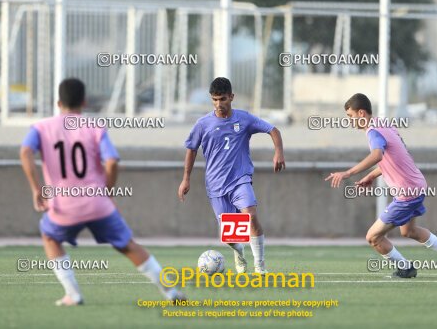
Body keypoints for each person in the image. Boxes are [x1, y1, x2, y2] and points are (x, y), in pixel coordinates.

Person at [20, 78, 185, 305]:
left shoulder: (41, 127)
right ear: (84, 102)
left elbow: (25, 151)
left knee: (49, 236)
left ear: (58, 103)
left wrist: (36, 189)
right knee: (127, 245)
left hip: (63, 206)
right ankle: (171, 293)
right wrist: (105, 190)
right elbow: (112, 161)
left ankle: (73, 293)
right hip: (97, 204)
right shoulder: (95, 127)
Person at [325, 93, 437, 278]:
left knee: (373, 237)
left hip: (407, 193)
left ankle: (406, 268)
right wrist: (371, 176)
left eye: (350, 117)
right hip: (417, 186)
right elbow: (395, 158)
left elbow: (377, 155)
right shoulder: (385, 125)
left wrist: (348, 173)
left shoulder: (373, 131)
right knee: (409, 231)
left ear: (361, 113)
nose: (350, 122)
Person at [178, 77, 285, 274]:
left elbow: (273, 130)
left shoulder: (244, 119)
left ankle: (260, 266)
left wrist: (278, 151)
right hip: (216, 185)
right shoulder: (203, 124)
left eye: (223, 99)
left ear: (232, 97)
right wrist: (186, 178)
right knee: (230, 237)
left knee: (250, 217)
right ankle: (239, 252)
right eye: (215, 100)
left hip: (240, 180)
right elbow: (191, 149)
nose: (219, 104)